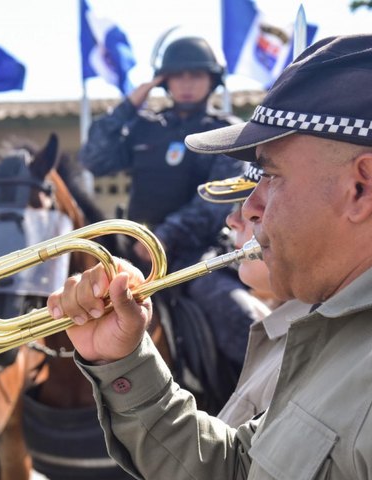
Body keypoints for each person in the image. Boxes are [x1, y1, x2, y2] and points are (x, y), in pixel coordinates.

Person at [48, 33, 372, 479]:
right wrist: (123, 361)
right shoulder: (357, 326)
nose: (248, 207)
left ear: (360, 188)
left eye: (270, 176)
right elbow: (238, 468)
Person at [79, 35, 254, 397]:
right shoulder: (145, 126)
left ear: (212, 81)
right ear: (164, 80)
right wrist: (130, 105)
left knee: (239, 315)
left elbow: (218, 200)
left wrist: (166, 238)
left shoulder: (228, 130)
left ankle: (261, 403)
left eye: (196, 75)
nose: (187, 83)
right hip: (132, 258)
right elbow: (94, 159)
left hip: (198, 258)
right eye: (178, 75)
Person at [197, 165, 310, 427]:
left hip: (199, 248)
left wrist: (168, 235)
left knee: (226, 307)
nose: (234, 218)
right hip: (167, 252)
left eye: (265, 194)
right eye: (241, 201)